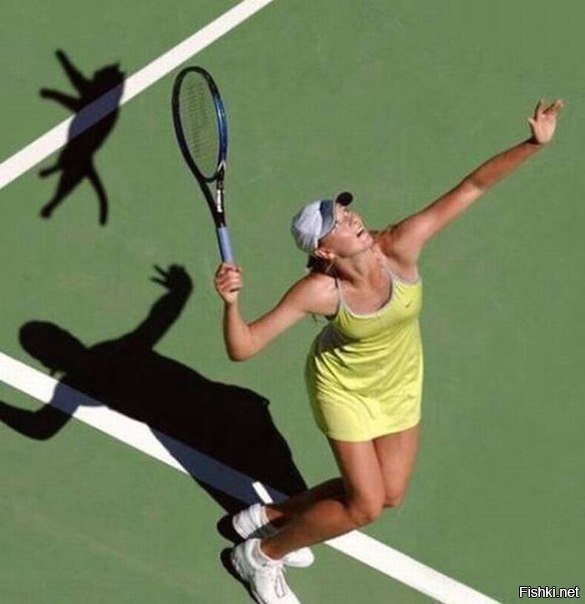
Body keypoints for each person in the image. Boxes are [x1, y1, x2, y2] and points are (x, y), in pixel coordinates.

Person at [214, 100, 563, 604]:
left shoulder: (400, 245)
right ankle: (259, 556)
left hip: (398, 380)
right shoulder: (319, 292)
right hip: (344, 389)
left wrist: (533, 144)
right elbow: (244, 347)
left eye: (346, 209)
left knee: (390, 493)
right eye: (338, 221)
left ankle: (267, 517)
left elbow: (472, 187)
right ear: (324, 251)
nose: (352, 217)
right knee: (365, 506)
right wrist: (231, 304)